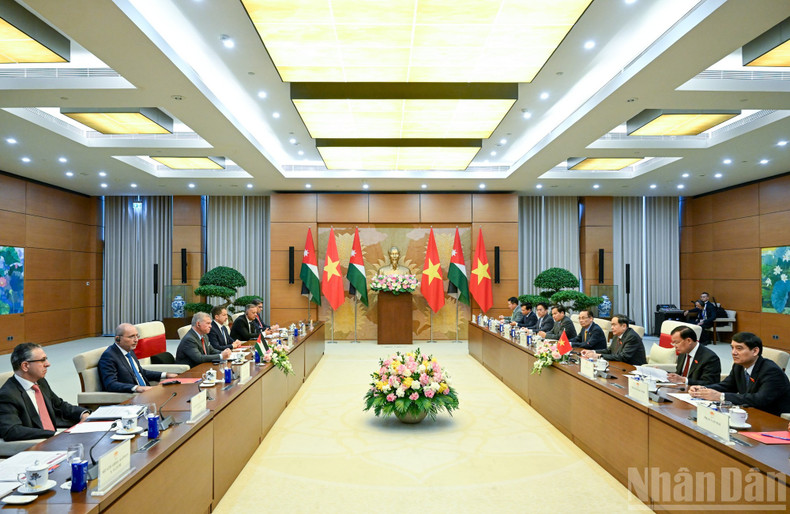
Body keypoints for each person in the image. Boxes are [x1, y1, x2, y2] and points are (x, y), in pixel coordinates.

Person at [0, 343, 90, 441]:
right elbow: (11, 430)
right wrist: (55, 435)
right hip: (34, 445)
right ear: (25, 366)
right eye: (42, 360)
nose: (48, 364)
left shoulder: (40, 381)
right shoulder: (7, 395)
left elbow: (59, 405)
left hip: (53, 440)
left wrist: (82, 413)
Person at [689, 332, 790, 416]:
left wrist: (721, 396)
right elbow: (727, 386)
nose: (733, 352)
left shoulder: (771, 371)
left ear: (755, 351)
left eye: (739, 348)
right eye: (732, 348)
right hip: (749, 412)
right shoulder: (739, 366)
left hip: (772, 418)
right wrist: (703, 389)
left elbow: (759, 399)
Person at [99, 323, 178, 393]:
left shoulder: (129, 350)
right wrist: (137, 388)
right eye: (131, 337)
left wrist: (165, 374)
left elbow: (140, 372)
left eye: (137, 336)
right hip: (134, 396)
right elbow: (111, 384)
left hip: (148, 392)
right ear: (117, 339)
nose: (136, 340)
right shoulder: (109, 356)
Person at [581, 314, 646, 365]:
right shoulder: (617, 334)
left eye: (614, 325)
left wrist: (599, 356)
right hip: (620, 364)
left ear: (624, 326)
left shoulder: (632, 337)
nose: (612, 327)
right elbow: (610, 350)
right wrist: (593, 352)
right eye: (611, 325)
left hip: (633, 368)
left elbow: (623, 357)